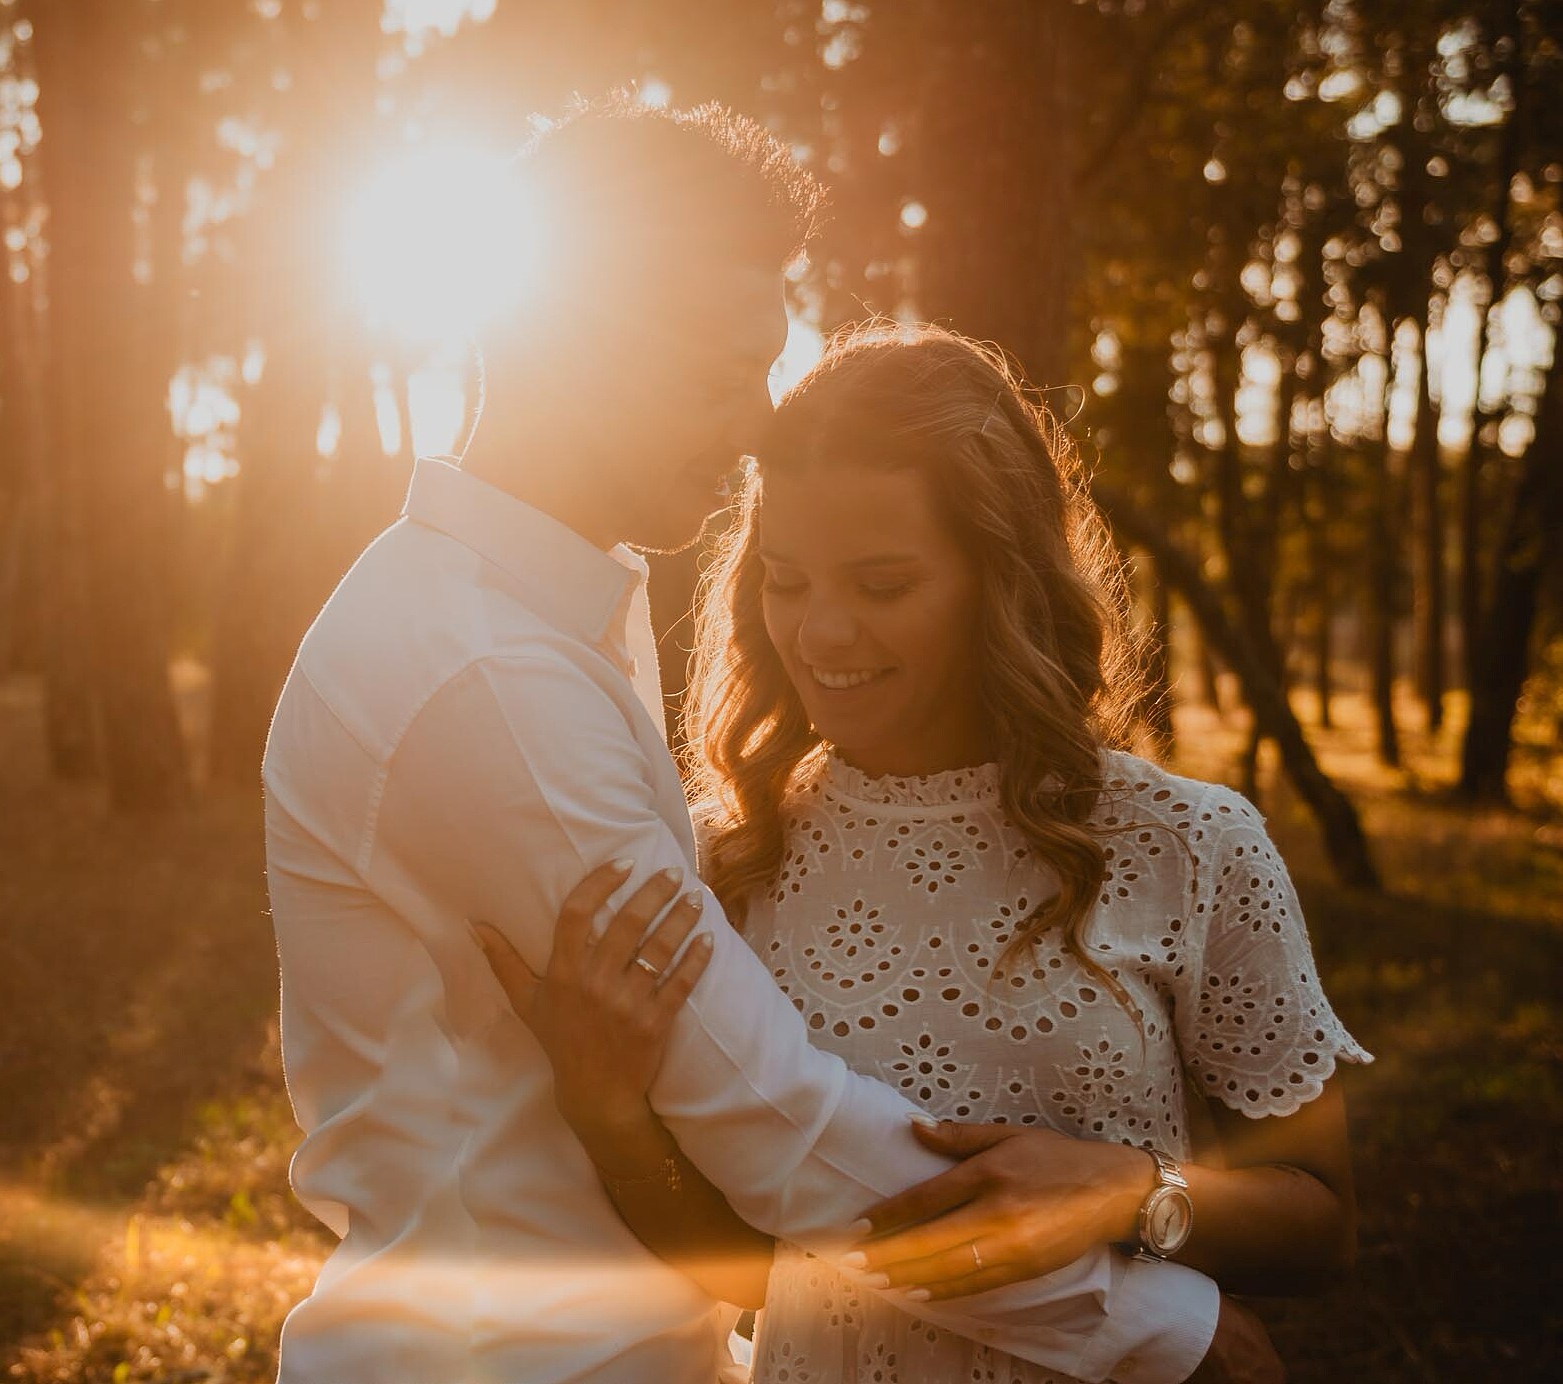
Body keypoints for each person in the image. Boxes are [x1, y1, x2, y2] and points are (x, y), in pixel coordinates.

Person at [263, 98, 1258, 1384]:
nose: (752, 422)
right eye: (714, 372)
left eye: (762, 367)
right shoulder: (488, 673)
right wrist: (1156, 1330)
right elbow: (769, 1114)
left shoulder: (541, 607)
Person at [476, 323, 1369, 1382]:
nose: (820, 633)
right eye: (787, 580)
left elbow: (1319, 1227)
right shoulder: (723, 857)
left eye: (882, 584)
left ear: (1000, 578)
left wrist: (1128, 1191)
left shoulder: (1187, 844)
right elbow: (754, 1268)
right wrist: (607, 1114)